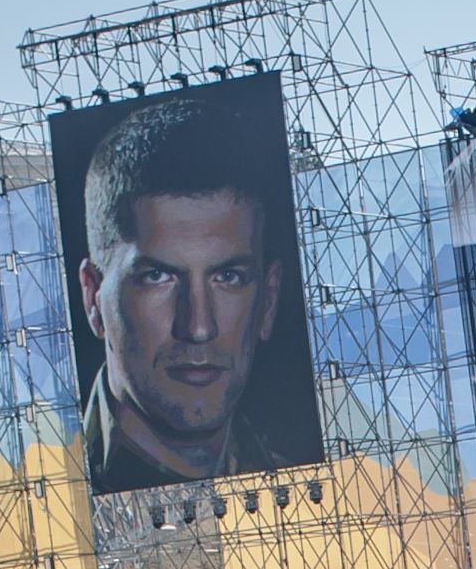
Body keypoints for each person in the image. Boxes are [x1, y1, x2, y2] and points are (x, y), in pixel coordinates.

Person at [68, 83, 317, 488]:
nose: (199, 326)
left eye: (228, 277)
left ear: (268, 301)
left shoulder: (304, 487)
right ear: (93, 296)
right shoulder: (53, 495)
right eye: (157, 277)